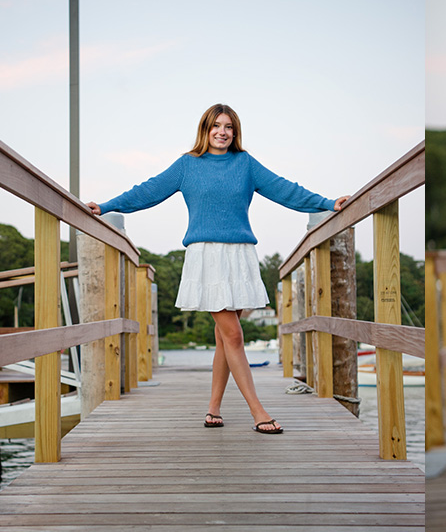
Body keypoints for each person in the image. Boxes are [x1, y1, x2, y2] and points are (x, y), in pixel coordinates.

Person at [87, 103, 349, 434]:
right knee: (234, 335)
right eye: (216, 126)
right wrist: (108, 206)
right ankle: (258, 412)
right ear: (205, 130)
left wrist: (327, 203)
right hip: (207, 255)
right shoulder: (187, 165)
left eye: (228, 127)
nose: (222, 132)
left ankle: (213, 408)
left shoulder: (245, 164)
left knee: (225, 336)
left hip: (239, 255)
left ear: (235, 132)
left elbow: (285, 190)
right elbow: (148, 191)